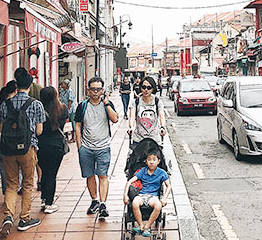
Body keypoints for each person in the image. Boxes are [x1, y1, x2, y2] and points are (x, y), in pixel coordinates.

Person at [0, 71, 44, 236]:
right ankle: (24, 218)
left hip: (8, 149)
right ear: (30, 86)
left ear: (16, 86)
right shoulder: (36, 104)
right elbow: (39, 131)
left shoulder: (5, 104)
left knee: (11, 184)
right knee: (28, 184)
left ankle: (8, 216)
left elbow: (2, 128)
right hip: (27, 148)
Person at [74, 77, 119, 218]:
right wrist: (80, 146)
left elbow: (115, 119)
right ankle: (94, 201)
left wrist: (106, 104)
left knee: (103, 175)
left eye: (98, 89)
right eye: (93, 89)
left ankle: (103, 204)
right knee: (89, 175)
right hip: (86, 147)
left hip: (103, 146)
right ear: (88, 90)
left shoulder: (107, 104)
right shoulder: (83, 106)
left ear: (102, 90)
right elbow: (78, 125)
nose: (95, 92)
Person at [123, 151, 171, 237]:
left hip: (153, 196)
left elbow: (169, 186)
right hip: (141, 195)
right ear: (146, 161)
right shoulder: (142, 171)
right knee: (134, 203)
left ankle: (147, 227)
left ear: (158, 161)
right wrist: (125, 195)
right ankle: (141, 225)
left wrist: (164, 198)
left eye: (154, 160)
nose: (151, 162)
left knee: (158, 206)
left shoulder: (161, 172)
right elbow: (130, 181)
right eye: (149, 160)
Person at [38, 87, 69, 214]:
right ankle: (49, 203)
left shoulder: (39, 110)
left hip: (41, 145)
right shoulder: (63, 109)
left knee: (44, 171)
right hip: (56, 145)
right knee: (52, 174)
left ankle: (44, 197)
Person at [14, 67, 43, 190]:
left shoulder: (8, 102)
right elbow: (39, 130)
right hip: (30, 141)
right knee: (29, 180)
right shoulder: (38, 97)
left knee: (12, 183)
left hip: (11, 142)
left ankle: (10, 206)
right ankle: (40, 181)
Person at [128, 76, 167, 148]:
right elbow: (132, 117)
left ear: (153, 89)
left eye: (149, 88)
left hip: (154, 139)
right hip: (138, 139)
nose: (146, 90)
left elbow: (162, 116)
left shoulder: (157, 101)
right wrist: (131, 127)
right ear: (140, 88)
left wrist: (162, 127)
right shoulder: (136, 102)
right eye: (143, 87)